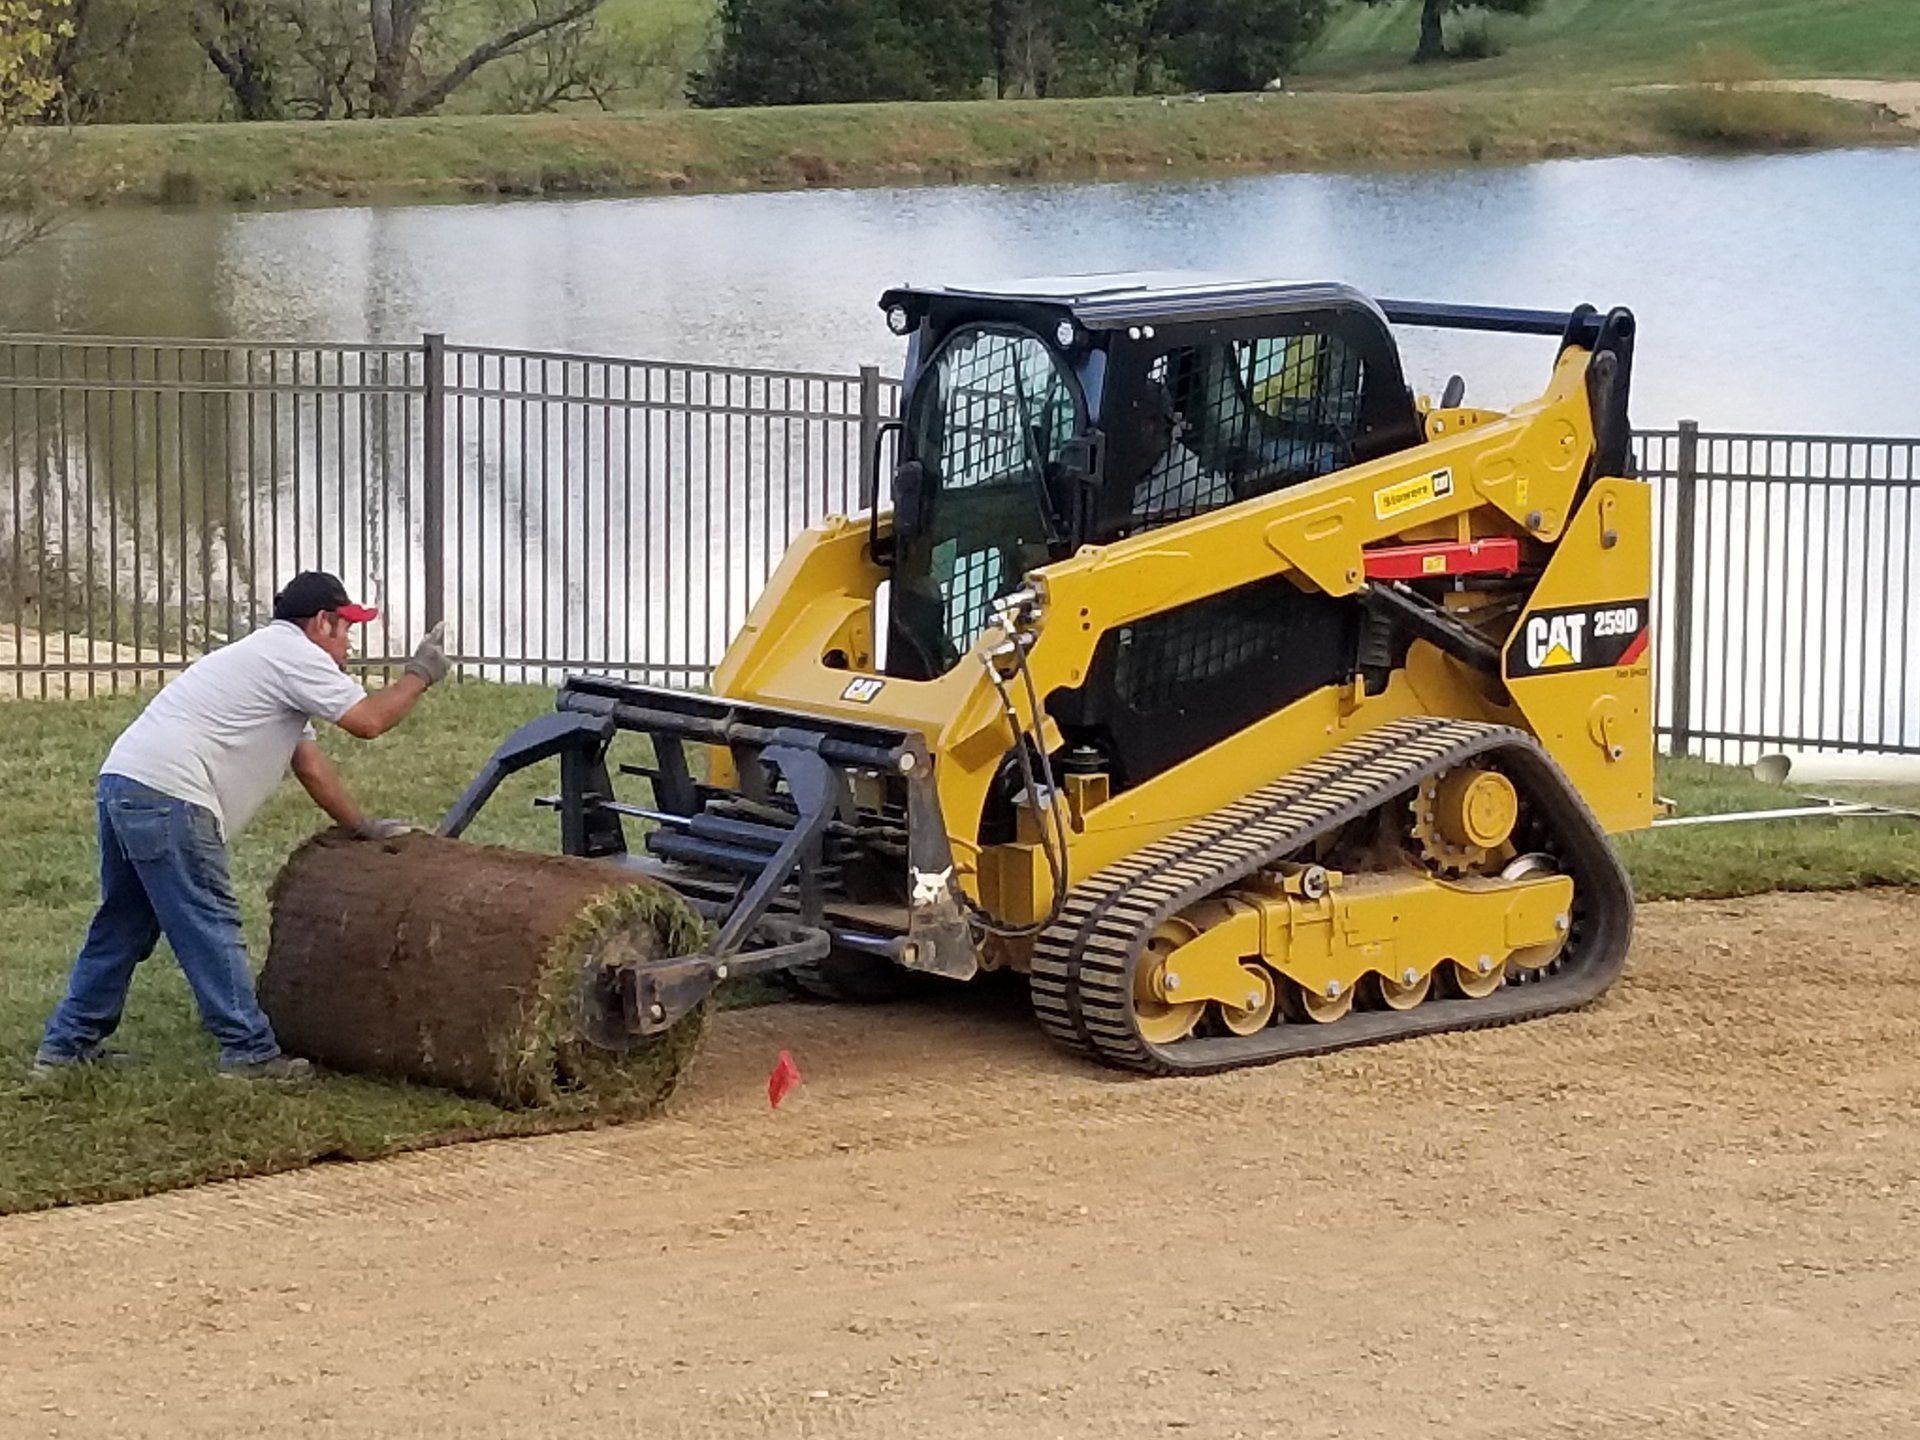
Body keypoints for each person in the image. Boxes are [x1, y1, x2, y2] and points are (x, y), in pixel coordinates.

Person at [33, 571, 451, 1083]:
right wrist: (420, 675)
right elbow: (368, 721)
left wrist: (360, 826)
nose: (348, 642)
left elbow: (310, 765)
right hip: (172, 794)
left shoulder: (264, 658)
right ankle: (249, 1051)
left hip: (127, 780)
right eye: (346, 628)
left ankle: (64, 1048)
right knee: (210, 923)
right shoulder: (294, 655)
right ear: (322, 623)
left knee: (123, 924)